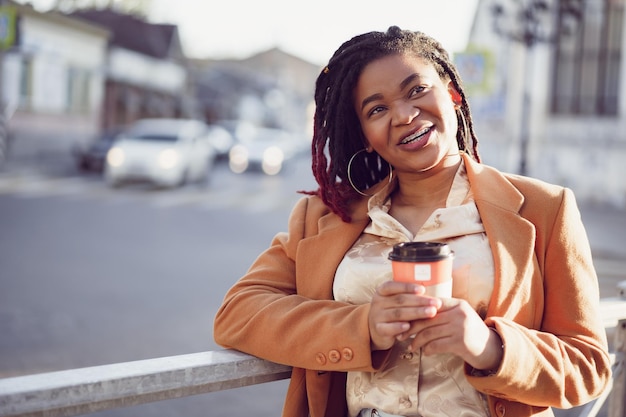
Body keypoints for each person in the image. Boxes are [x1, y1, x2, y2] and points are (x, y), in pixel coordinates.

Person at [213, 26, 611, 417]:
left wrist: (490, 347)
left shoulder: (544, 208)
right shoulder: (322, 216)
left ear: (453, 93)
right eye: (377, 109)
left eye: (417, 90)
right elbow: (238, 312)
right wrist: (361, 324)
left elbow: (589, 367)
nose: (404, 115)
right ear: (365, 134)